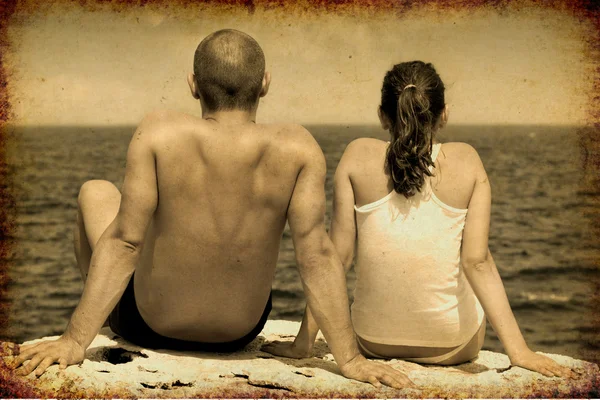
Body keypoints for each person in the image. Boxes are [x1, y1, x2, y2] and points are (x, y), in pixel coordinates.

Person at [12, 30, 415, 389]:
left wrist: (73, 340)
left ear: (193, 85)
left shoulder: (158, 132)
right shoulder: (298, 147)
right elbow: (317, 255)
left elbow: (125, 242)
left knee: (95, 192)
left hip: (150, 326)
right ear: (265, 85)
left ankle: (103, 325)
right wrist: (350, 358)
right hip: (238, 331)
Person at [262, 61, 575, 378]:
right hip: (451, 348)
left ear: (382, 115)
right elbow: (477, 262)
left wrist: (304, 343)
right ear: (444, 115)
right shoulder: (467, 160)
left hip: (372, 342)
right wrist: (519, 352)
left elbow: (336, 260)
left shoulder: (356, 156)